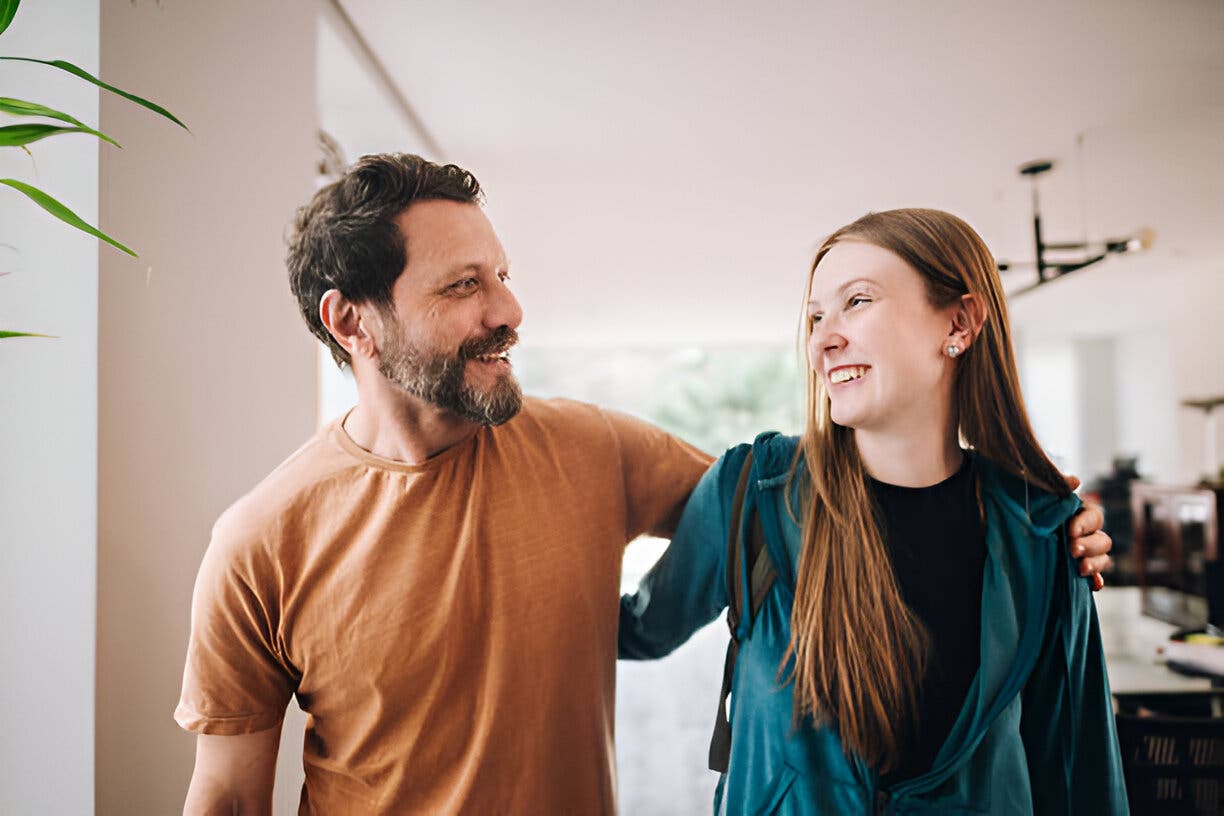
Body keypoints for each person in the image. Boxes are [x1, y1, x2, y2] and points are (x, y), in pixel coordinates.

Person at [175, 156, 1114, 815]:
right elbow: (224, 797)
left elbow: (804, 516)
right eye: (465, 285)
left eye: (502, 275)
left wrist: (1051, 522)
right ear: (352, 322)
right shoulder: (261, 539)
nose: (509, 309)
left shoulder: (596, 449)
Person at [619, 208, 1128, 814]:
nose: (823, 338)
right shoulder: (755, 489)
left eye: (857, 302)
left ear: (959, 324)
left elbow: (1077, 766)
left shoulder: (1040, 529)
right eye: (814, 317)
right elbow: (635, 630)